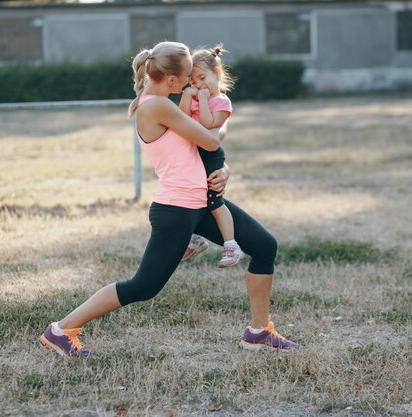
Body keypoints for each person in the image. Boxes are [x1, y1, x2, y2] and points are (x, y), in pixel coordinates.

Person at [39, 41, 298, 359]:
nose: (192, 84)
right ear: (172, 80)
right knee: (142, 287)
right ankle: (61, 329)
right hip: (176, 210)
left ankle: (259, 332)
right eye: (188, 78)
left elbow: (197, 151)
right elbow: (210, 138)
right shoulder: (156, 106)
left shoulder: (161, 104)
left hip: (200, 202)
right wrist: (226, 117)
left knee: (264, 246)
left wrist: (224, 170)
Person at [178, 44, 243, 268]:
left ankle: (231, 245)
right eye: (193, 82)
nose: (199, 85)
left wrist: (202, 99)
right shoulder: (195, 97)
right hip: (195, 156)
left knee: (214, 202)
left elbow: (208, 124)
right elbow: (182, 117)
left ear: (216, 73)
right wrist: (187, 94)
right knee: (193, 198)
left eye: (202, 78)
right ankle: (196, 239)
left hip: (210, 156)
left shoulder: (222, 102)